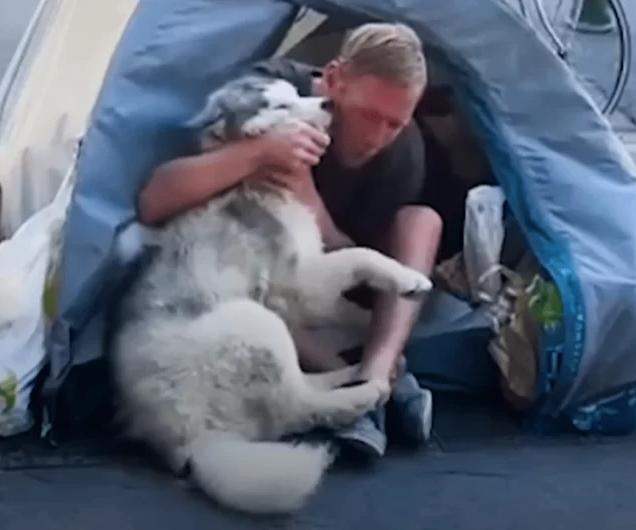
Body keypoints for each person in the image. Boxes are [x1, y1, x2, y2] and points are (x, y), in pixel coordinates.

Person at [137, 22, 444, 461]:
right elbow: (155, 200)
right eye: (368, 116)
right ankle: (368, 391)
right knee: (260, 279)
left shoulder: (403, 153)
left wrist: (309, 199)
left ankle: (377, 373)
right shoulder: (272, 98)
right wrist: (256, 154)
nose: (377, 138)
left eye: (394, 123)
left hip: (327, 270)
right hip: (258, 275)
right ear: (335, 79)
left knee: (422, 220)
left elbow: (347, 258)